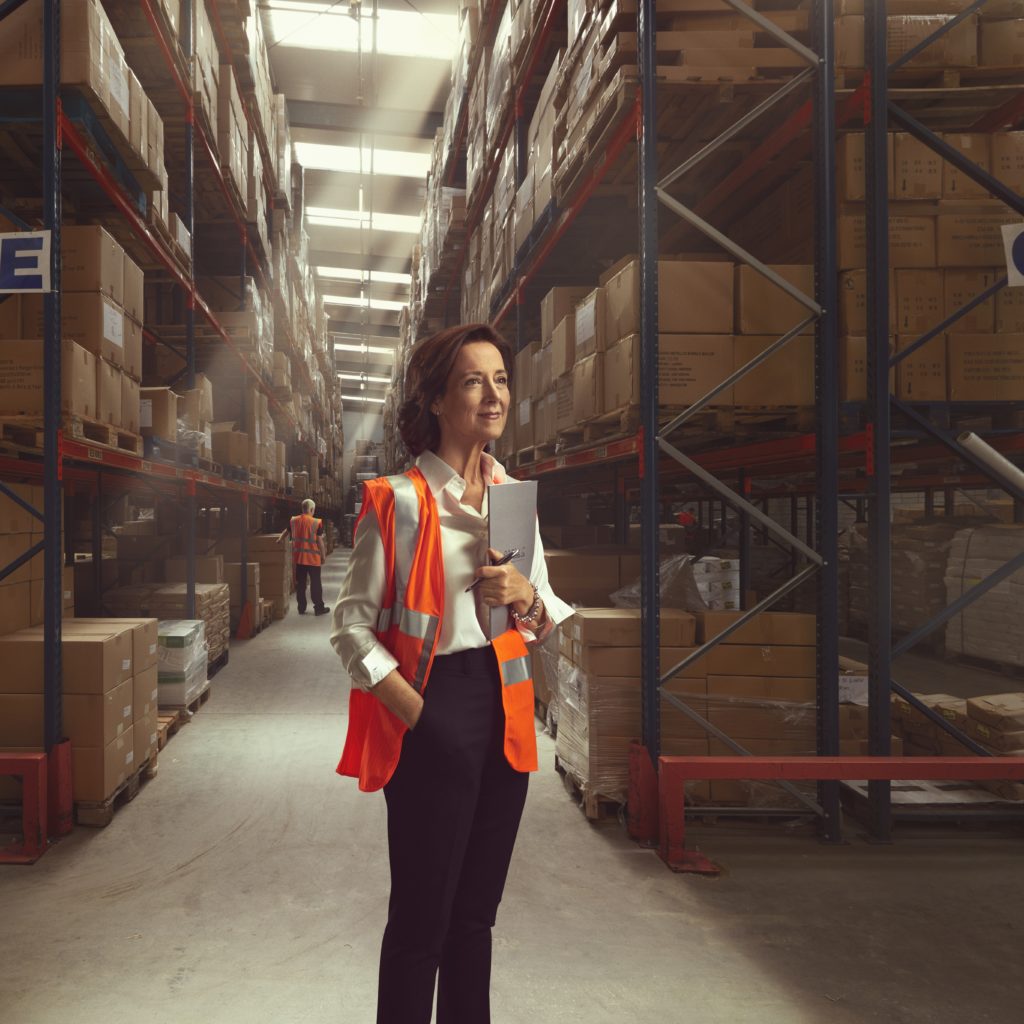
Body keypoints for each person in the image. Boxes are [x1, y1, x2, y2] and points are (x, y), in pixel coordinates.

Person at [331, 323, 572, 1024]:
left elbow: (543, 616)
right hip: (433, 710)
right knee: (421, 923)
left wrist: (524, 596)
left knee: (475, 919)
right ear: (437, 399)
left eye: (500, 379)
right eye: (473, 380)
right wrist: (416, 712)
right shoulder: (400, 501)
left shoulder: (515, 499)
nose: (493, 394)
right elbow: (348, 625)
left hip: (506, 712)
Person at [290, 497, 329, 616]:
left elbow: (287, 531)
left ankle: (301, 608)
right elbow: (320, 542)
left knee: (301, 584)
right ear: (311, 509)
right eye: (314, 510)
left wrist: (279, 539)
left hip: (299, 559)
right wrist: (323, 556)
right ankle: (318, 608)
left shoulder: (294, 520)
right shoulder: (316, 522)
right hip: (313, 559)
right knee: (315, 583)